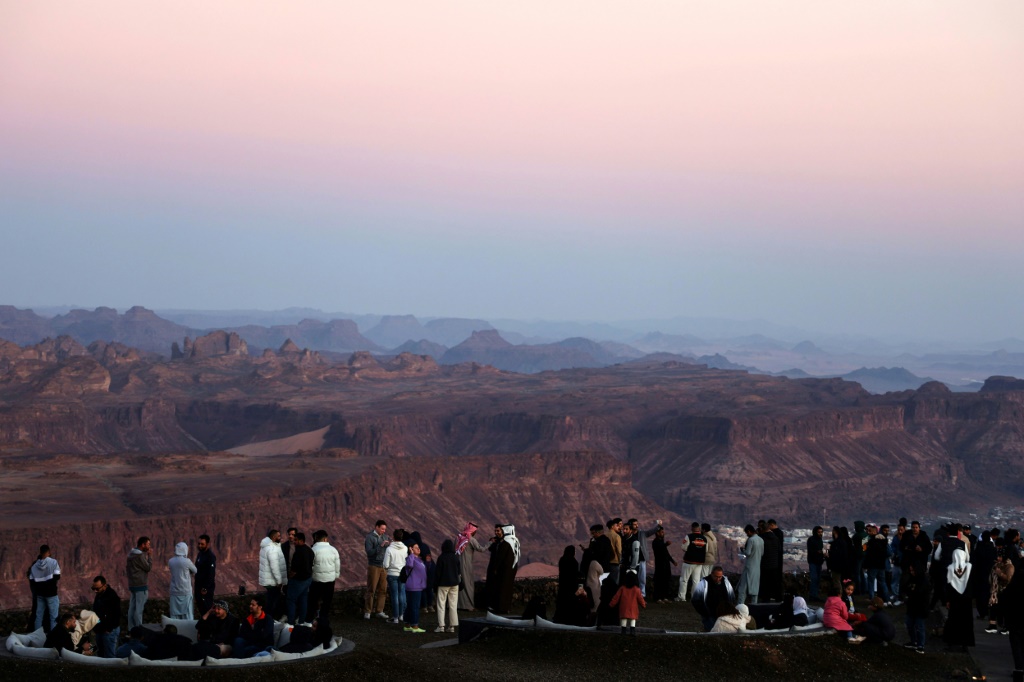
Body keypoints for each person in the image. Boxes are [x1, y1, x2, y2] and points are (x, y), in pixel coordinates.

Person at [943, 548, 975, 652]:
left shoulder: (950, 568)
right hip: (966, 599)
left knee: (953, 620)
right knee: (966, 621)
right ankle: (965, 644)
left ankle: (951, 643)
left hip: (954, 598)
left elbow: (947, 585)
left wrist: (947, 600)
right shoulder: (970, 567)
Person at [486, 524, 520, 614]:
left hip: (505, 570)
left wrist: (495, 568)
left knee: (503, 588)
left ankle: (501, 608)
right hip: (511, 568)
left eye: (499, 531)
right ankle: (505, 607)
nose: (496, 533)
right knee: (507, 588)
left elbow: (500, 557)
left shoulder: (506, 542)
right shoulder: (513, 540)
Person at [310, 529, 341, 625]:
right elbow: (337, 564)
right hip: (330, 580)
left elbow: (310, 565)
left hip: (316, 580)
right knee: (327, 600)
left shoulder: (313, 550)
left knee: (314, 599)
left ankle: (313, 618)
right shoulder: (333, 550)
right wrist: (335, 575)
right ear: (325, 539)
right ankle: (323, 618)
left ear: (316, 538)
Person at [691, 565, 735, 632]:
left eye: (720, 577)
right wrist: (705, 612)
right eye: (716, 577)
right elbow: (695, 600)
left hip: (724, 614)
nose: (718, 579)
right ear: (712, 574)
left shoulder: (726, 583)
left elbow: (732, 597)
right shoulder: (703, 583)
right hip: (709, 615)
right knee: (711, 632)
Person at [29, 544, 61, 632]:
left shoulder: (34, 566)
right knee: (53, 617)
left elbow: (32, 580)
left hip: (40, 594)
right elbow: (57, 576)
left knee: (39, 616)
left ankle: (37, 636)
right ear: (49, 552)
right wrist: (49, 581)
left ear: (40, 552)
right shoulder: (53, 562)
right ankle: (53, 638)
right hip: (51, 594)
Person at [455, 522, 486, 611]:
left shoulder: (457, 538)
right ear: (472, 531)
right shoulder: (471, 539)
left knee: (458, 583)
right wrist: (490, 543)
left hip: (457, 565)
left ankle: (458, 605)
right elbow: (481, 549)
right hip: (467, 565)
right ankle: (469, 606)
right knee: (468, 585)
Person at [286, 531, 315, 625]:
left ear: (301, 541)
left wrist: (289, 577)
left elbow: (294, 569)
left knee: (291, 600)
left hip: (299, 580)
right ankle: (302, 621)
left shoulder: (298, 552)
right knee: (303, 599)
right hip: (308, 579)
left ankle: (291, 623)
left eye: (296, 540)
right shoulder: (309, 550)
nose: (294, 542)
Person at [258, 529, 287, 620]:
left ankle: (269, 619)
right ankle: (270, 620)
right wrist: (279, 581)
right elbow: (274, 566)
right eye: (278, 536)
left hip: (268, 579)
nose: (280, 538)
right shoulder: (272, 549)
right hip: (272, 581)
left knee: (270, 600)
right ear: (274, 537)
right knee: (273, 602)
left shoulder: (266, 546)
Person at [364, 520, 390, 619]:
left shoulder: (385, 537)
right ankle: (368, 611)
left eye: (385, 529)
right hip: (374, 566)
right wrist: (381, 546)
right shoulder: (370, 537)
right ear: (377, 527)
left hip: (383, 566)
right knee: (371, 589)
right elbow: (369, 552)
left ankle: (380, 610)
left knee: (383, 589)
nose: (384, 531)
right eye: (382, 529)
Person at [903, 562, 931, 653]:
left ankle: (920, 645)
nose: (911, 572)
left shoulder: (923, 581)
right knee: (910, 625)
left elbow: (918, 593)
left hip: (920, 608)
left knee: (920, 627)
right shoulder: (912, 579)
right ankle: (914, 642)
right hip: (912, 606)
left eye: (912, 570)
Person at [91, 575, 121, 658]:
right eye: (93, 588)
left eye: (97, 588)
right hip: (100, 630)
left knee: (109, 655)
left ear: (104, 586)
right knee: (100, 653)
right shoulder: (99, 594)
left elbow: (116, 614)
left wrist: (109, 629)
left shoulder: (112, 597)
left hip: (109, 631)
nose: (95, 591)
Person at [434, 538, 461, 633]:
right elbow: (459, 572)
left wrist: (435, 585)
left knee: (441, 605)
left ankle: (441, 626)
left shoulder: (441, 558)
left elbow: (437, 573)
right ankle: (452, 626)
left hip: (443, 584)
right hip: (454, 584)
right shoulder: (455, 557)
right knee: (453, 605)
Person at [126, 536, 152, 630]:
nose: (149, 546)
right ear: (143, 544)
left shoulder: (131, 554)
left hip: (132, 584)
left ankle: (131, 629)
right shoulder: (140, 555)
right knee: (139, 610)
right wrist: (150, 556)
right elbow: (148, 568)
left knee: (131, 609)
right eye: (148, 544)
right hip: (141, 585)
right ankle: (139, 630)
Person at [383, 528, 409, 624]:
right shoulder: (405, 548)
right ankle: (401, 615)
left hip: (392, 574)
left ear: (393, 537)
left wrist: (388, 568)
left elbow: (385, 564)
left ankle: (395, 618)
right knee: (402, 594)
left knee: (395, 596)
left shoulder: (389, 549)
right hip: (402, 574)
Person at [609, 569, 646, 636]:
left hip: (623, 608)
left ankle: (623, 631)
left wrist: (611, 604)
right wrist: (643, 605)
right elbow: (640, 599)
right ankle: (632, 631)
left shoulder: (622, 588)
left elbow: (616, 597)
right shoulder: (636, 589)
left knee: (624, 619)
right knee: (633, 620)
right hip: (633, 609)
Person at [677, 522, 707, 602]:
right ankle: (694, 597)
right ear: (699, 528)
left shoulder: (689, 536)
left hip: (689, 561)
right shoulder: (704, 538)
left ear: (692, 528)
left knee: (684, 579)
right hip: (699, 562)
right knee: (696, 581)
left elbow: (684, 547)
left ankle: (681, 597)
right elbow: (706, 550)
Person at [168, 541, 198, 619]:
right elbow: (195, 570)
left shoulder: (170, 561)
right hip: (185, 591)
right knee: (187, 613)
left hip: (174, 591)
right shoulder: (187, 561)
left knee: (174, 614)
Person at [403, 542, 428, 633]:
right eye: (416, 547)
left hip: (417, 586)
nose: (418, 549)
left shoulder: (419, 559)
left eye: (418, 547)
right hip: (414, 586)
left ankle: (407, 624)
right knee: (414, 606)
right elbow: (409, 565)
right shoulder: (411, 558)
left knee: (410, 606)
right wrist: (411, 554)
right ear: (411, 549)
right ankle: (415, 625)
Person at [736, 524, 762, 605]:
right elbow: (762, 553)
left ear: (749, 531)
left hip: (749, 567)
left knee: (742, 589)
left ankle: (740, 606)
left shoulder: (751, 540)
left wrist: (742, 550)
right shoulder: (761, 540)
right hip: (757, 567)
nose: (747, 534)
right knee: (754, 589)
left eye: (747, 533)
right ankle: (755, 606)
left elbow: (748, 553)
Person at [554, 545, 579, 624]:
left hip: (563, 585)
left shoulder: (562, 560)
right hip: (571, 586)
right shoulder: (574, 562)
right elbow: (575, 575)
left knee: (562, 603)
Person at [651, 527, 677, 603]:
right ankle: (657, 598)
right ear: (657, 533)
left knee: (666, 581)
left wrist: (672, 561)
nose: (663, 533)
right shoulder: (655, 542)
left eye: (663, 532)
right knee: (659, 581)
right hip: (660, 564)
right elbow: (659, 549)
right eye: (661, 532)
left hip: (666, 564)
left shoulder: (662, 542)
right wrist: (666, 544)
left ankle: (664, 597)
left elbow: (666, 553)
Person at [195, 534, 216, 614]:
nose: (200, 546)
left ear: (207, 544)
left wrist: (205, 588)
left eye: (202, 544)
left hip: (205, 589)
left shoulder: (210, 556)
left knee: (207, 609)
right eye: (199, 543)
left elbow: (211, 574)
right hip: (198, 587)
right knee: (201, 608)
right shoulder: (200, 555)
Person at [807, 526, 825, 600]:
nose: (820, 534)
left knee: (817, 579)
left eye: (821, 532)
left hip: (819, 562)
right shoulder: (811, 540)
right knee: (814, 578)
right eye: (819, 532)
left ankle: (815, 594)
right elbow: (811, 551)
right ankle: (812, 595)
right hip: (813, 562)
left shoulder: (820, 540)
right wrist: (818, 552)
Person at [606, 518, 623, 585]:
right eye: (616, 525)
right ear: (612, 526)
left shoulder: (604, 535)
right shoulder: (616, 536)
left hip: (606, 563)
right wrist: (620, 561)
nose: (618, 527)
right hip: (615, 562)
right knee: (615, 582)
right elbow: (619, 550)